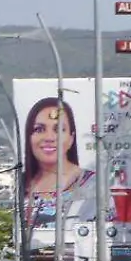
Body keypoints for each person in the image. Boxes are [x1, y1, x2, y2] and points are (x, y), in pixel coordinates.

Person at [23, 96, 97, 230]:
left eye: (59, 130)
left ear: (71, 138)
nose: (49, 138)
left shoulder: (93, 184)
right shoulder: (21, 184)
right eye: (39, 129)